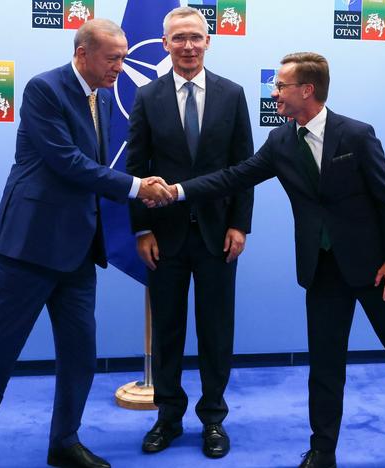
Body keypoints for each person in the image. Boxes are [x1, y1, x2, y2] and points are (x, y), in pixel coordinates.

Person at [149, 52, 385, 468]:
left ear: (306, 90)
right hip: (321, 270)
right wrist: (178, 191)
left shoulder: (357, 135)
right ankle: (322, 451)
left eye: (280, 86)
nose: (273, 93)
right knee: (325, 366)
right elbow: (234, 177)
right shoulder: (280, 141)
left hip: (375, 270)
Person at [0, 19, 172, 468]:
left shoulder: (104, 98)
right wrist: (136, 187)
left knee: (80, 356)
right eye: (113, 58)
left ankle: (63, 442)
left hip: (79, 253)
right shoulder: (43, 89)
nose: (120, 68)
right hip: (26, 249)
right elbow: (67, 163)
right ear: (83, 53)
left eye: (124, 57)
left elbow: (91, 168)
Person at [125, 6, 254, 460]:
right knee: (168, 332)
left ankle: (213, 419)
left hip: (219, 236)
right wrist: (141, 228)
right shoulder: (146, 97)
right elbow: (135, 169)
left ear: (208, 42)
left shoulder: (233, 94)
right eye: (178, 38)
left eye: (196, 37)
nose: (187, 46)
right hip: (165, 238)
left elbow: (245, 168)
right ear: (165, 44)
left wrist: (240, 224)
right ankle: (169, 417)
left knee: (217, 332)